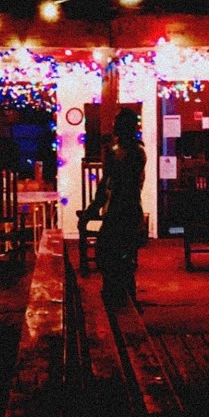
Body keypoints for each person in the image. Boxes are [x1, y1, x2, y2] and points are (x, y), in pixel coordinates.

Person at [79, 108, 146, 310]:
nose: (114, 128)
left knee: (113, 256)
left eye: (117, 125)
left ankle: (121, 301)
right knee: (118, 258)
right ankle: (122, 299)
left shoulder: (130, 153)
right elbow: (106, 185)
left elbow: (114, 183)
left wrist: (92, 210)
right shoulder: (130, 151)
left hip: (123, 212)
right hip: (125, 212)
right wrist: (93, 210)